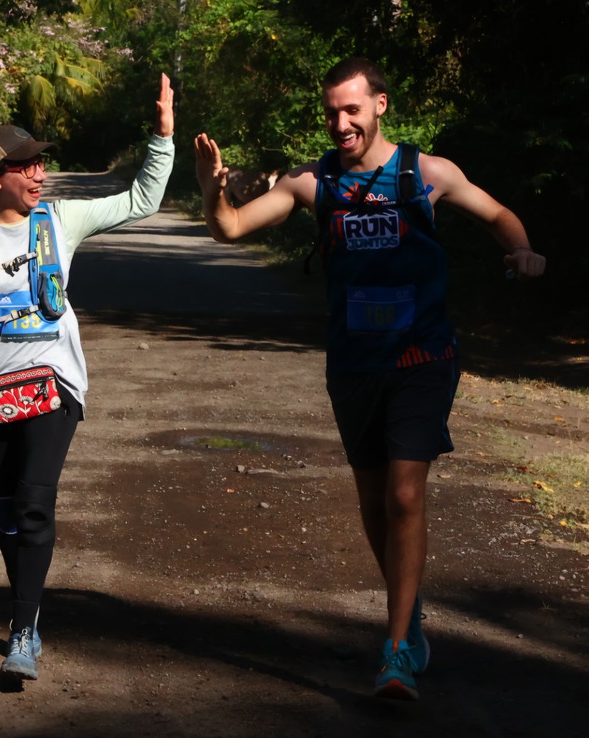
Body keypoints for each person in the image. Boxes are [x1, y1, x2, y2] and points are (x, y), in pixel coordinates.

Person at [194, 57, 545, 701]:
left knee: (405, 496)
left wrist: (520, 248)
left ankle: (396, 650)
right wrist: (211, 189)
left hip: (422, 357)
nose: (341, 123)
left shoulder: (426, 173)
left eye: (352, 109)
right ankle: (410, 616)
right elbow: (231, 227)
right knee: (374, 500)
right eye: (332, 112)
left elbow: (498, 215)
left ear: (380, 105)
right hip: (354, 363)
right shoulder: (311, 182)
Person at [0, 73, 175, 683]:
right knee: (8, 513)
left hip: (54, 380)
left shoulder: (61, 221)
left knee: (34, 504)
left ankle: (21, 632)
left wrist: (162, 138)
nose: (40, 174)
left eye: (40, 164)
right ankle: (27, 614)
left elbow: (141, 201)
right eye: (27, 166)